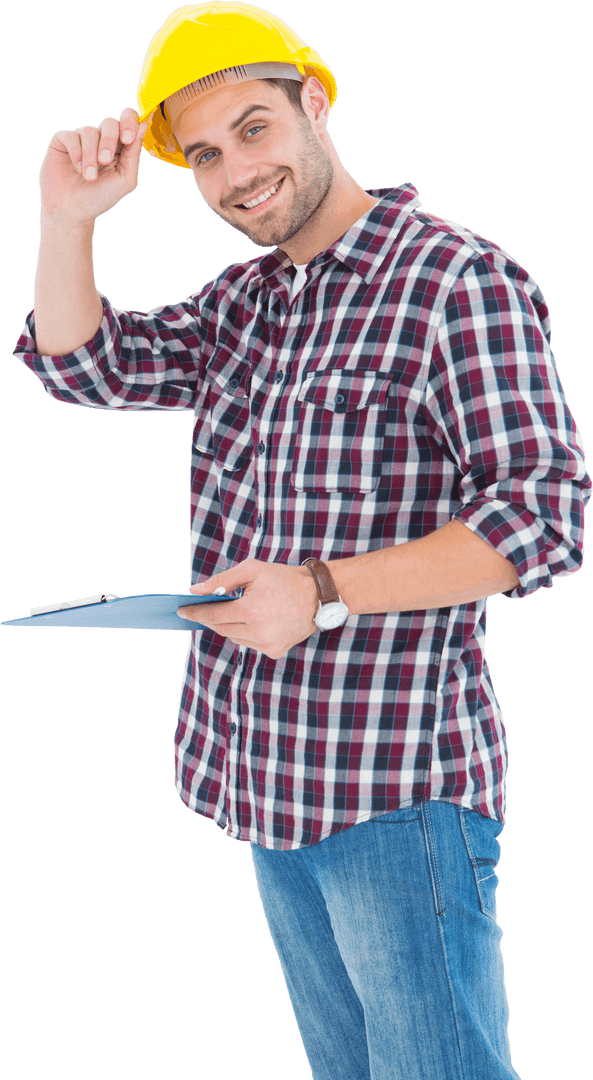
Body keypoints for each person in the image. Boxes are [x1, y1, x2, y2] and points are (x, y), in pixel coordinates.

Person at [12, 3, 592, 1078]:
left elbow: (545, 516)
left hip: (394, 799)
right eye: (202, 154)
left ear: (311, 104)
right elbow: (82, 364)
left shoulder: (453, 282)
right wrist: (67, 218)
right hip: (264, 784)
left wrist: (320, 590)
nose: (234, 171)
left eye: (252, 128)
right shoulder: (245, 303)